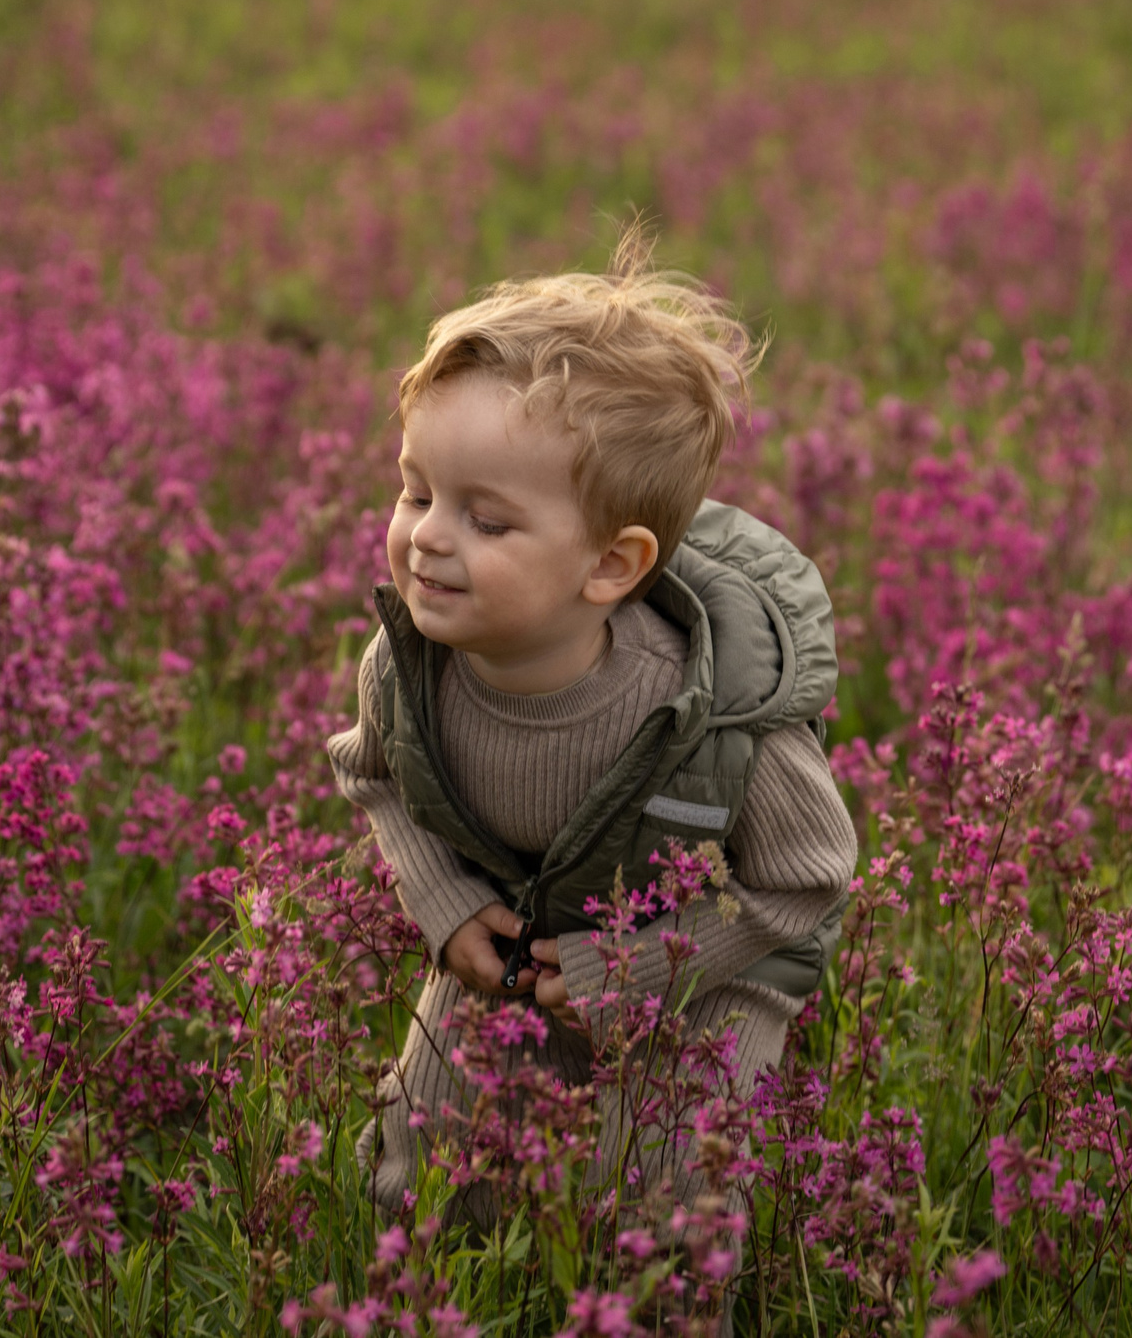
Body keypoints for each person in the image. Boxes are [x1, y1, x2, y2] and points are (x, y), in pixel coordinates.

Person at [328, 231, 860, 1225]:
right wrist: (442, 903)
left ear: (610, 567)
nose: (429, 536)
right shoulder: (407, 669)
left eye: (486, 521)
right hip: (518, 948)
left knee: (663, 1192)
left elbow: (808, 876)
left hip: (697, 968)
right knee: (417, 1167)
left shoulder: (715, 716)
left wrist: (642, 971)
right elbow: (378, 779)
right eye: (415, 492)